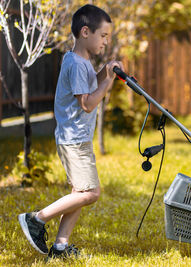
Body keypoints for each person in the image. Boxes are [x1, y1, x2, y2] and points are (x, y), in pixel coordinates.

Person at [18, 4, 124, 259]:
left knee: (80, 193)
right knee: (91, 193)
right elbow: (86, 103)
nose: (106, 42)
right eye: (104, 36)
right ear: (85, 32)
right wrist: (108, 82)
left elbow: (88, 87)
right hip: (75, 140)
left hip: (77, 138)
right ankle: (36, 219)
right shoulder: (77, 64)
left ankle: (60, 247)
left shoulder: (80, 61)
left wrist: (105, 72)